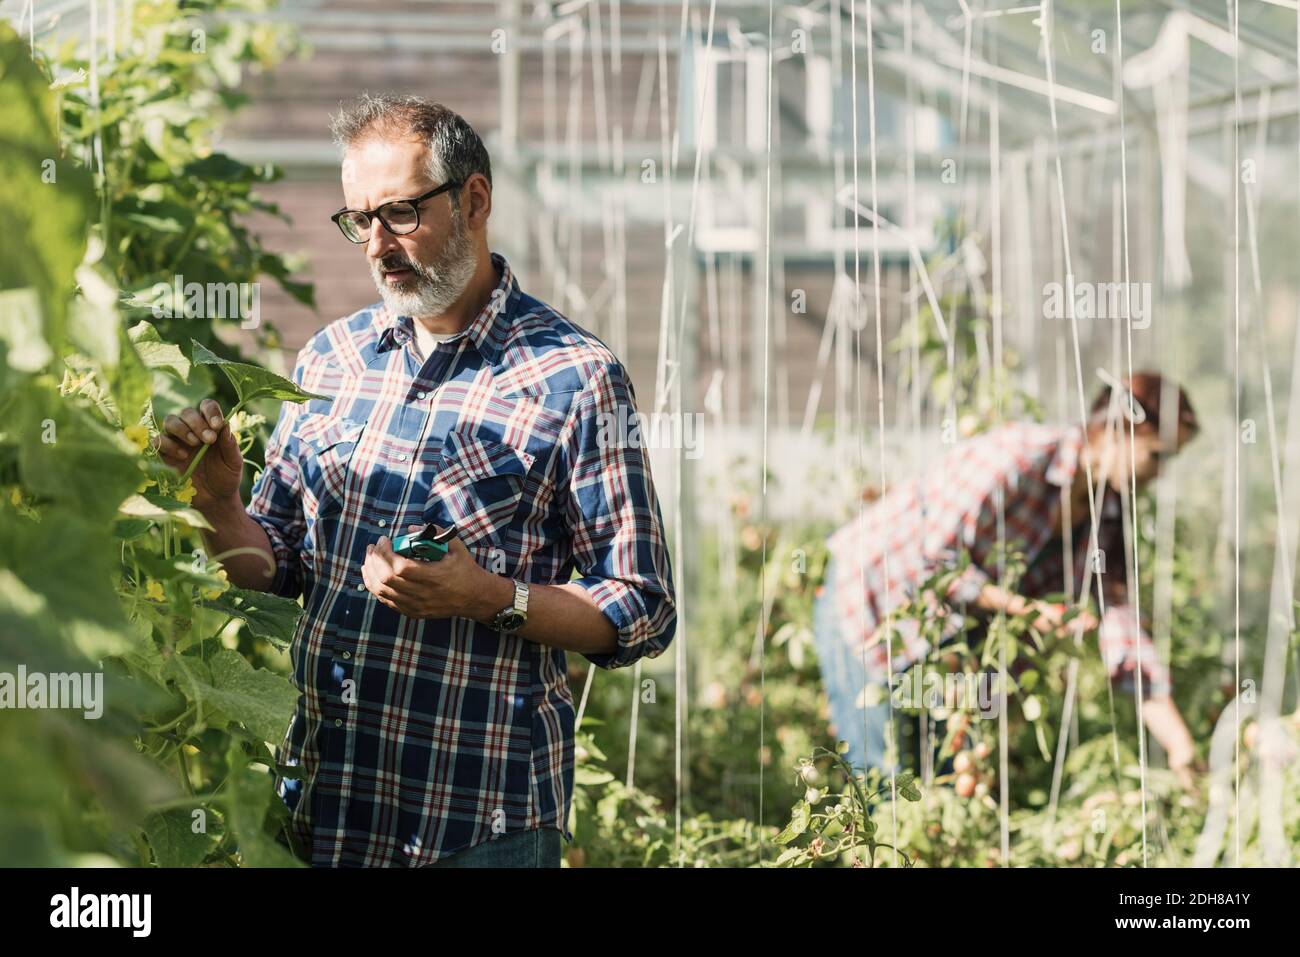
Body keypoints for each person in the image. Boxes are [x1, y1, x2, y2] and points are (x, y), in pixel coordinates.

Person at [153, 95, 676, 866]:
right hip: (326, 808)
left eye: (398, 213)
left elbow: (641, 604)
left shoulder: (573, 377)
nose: (376, 243)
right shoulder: (331, 361)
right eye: (358, 219)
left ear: (474, 199)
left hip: (479, 823)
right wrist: (220, 499)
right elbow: (272, 572)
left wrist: (489, 596)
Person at [812, 372, 1200, 789]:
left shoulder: (1104, 514)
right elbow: (935, 563)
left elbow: (1121, 630)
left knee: (950, 778)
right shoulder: (1016, 456)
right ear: (1119, 432)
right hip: (873, 604)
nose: (1159, 473)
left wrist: (1179, 743)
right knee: (881, 773)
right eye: (1158, 455)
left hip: (943, 636)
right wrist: (1029, 612)